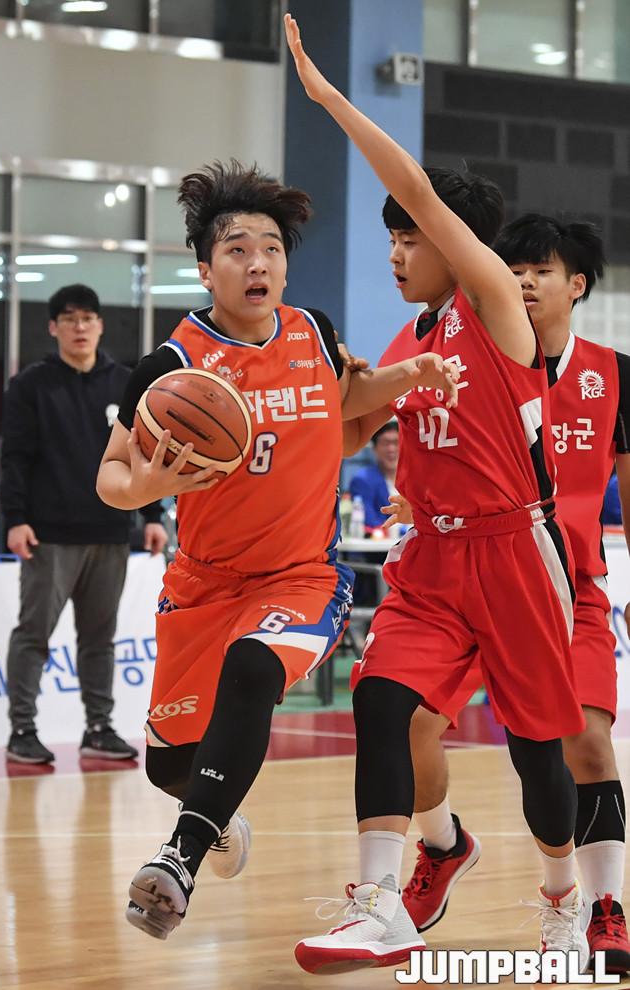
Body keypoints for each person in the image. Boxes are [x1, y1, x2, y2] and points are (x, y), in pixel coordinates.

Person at [285, 14, 591, 974]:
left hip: (514, 551)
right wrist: (352, 393)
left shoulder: (495, 303)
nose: (394, 252)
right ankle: (380, 903)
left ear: (454, 246)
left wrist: (330, 99)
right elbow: (345, 429)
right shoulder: (409, 339)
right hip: (432, 557)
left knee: (538, 749)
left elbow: (416, 185)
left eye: (408, 237)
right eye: (390, 239)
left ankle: (563, 899)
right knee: (382, 702)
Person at [95, 161, 459, 942]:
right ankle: (215, 818)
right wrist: (146, 482)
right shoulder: (171, 367)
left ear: (286, 264)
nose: (257, 262)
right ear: (205, 269)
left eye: (270, 248)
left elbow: (344, 407)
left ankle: (179, 859)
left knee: (254, 667)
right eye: (236, 249)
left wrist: (407, 376)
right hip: (203, 583)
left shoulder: (314, 333)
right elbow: (111, 478)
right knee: (169, 765)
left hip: (302, 576)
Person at [399, 215, 630, 974]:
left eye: (541, 270)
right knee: (409, 727)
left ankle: (604, 907)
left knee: (586, 740)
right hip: (474, 577)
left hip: (571, 590)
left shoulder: (614, 375)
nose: (524, 282)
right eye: (514, 270)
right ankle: (443, 847)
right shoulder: (471, 360)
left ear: (577, 285)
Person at [1, 284, 168, 765]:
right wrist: (15, 520)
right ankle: (22, 729)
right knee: (33, 635)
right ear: (53, 327)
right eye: (70, 319)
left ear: (100, 325)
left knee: (99, 639)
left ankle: (99, 727)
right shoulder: (30, 385)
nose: (80, 327)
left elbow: (144, 453)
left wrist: (152, 515)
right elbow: (15, 458)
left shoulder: (126, 382)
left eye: (88, 318)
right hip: (48, 535)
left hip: (111, 532)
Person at [349, 420, 400, 532]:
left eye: (396, 443)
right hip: (380, 542)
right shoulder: (362, 480)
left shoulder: (417, 479)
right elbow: (370, 522)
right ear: (374, 448)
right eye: (385, 443)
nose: (391, 449)